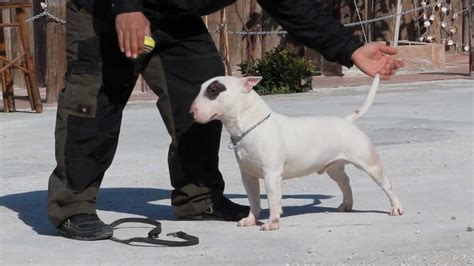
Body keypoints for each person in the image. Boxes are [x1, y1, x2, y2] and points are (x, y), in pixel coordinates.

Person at [48, 0, 402, 240]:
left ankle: (198, 199)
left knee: (205, 99)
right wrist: (128, 6)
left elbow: (293, 5)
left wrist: (350, 49)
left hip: (175, 15)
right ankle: (72, 206)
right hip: (107, 9)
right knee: (95, 102)